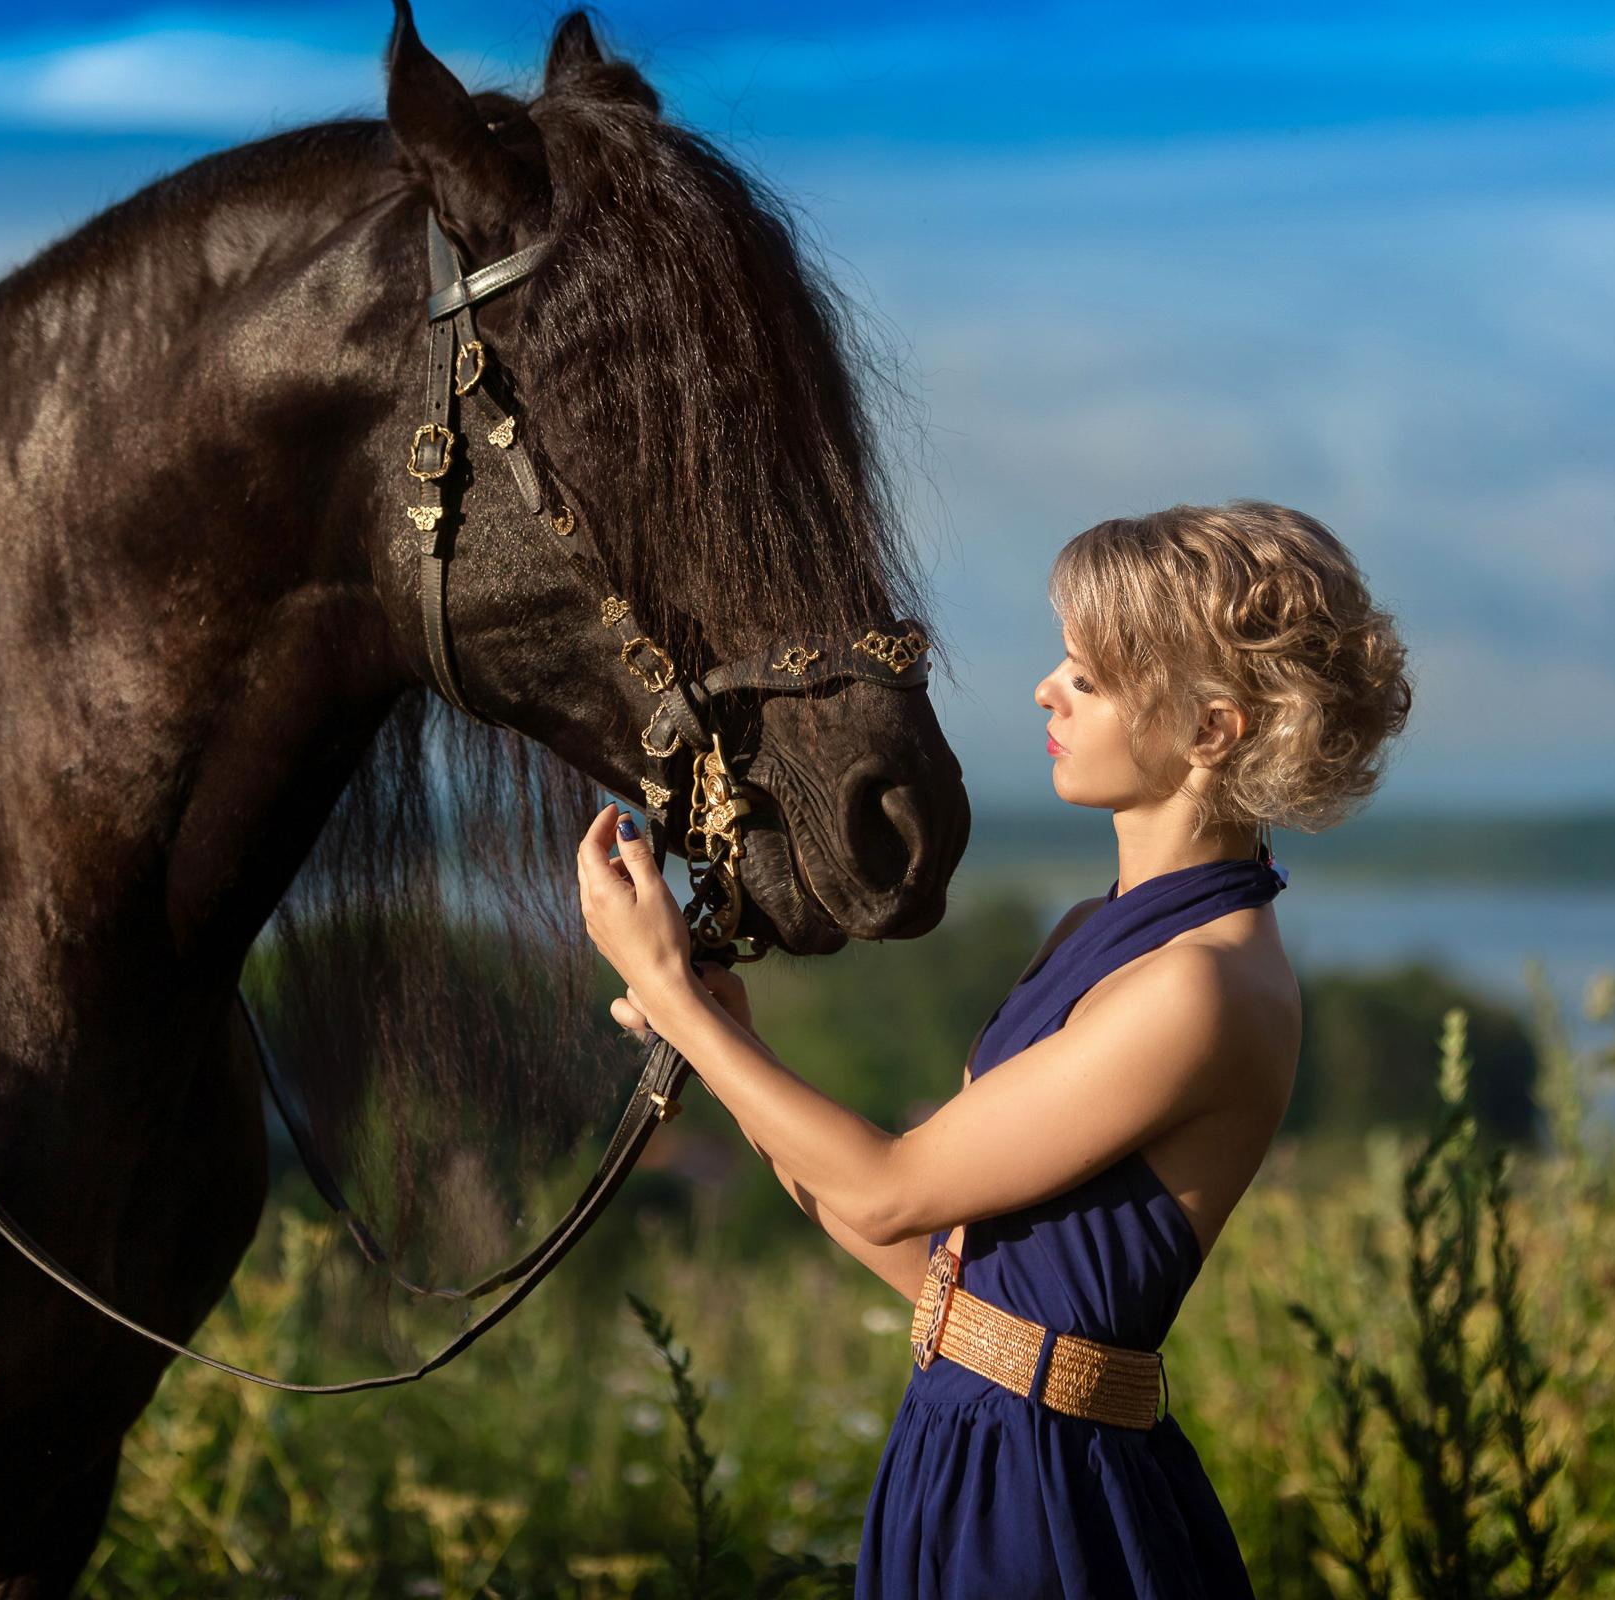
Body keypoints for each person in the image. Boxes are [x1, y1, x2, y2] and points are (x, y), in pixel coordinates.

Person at [577, 499, 1412, 1598]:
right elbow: (942, 1281)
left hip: (1049, 1499)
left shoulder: (1200, 987)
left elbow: (887, 1190)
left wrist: (674, 996)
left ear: (1211, 730)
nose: (1045, 689)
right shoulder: (1098, 933)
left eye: (1091, 676)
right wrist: (729, 1044)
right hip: (962, 1447)